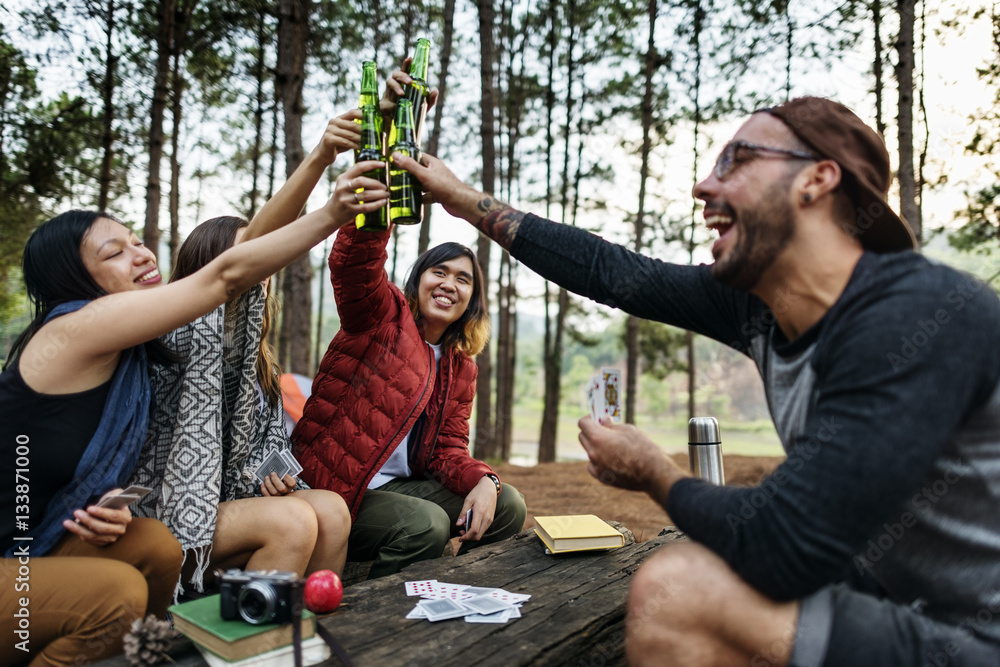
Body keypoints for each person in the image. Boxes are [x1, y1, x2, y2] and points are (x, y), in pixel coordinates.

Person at [394, 95, 1000, 666]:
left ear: (817, 179)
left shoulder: (913, 316)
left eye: (736, 160)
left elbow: (787, 541)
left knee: (679, 587)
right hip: (884, 597)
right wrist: (460, 199)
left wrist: (655, 473)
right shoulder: (761, 304)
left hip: (973, 638)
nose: (703, 185)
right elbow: (610, 271)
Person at [0, 154, 385, 664]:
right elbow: (231, 270)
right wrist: (332, 207)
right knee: (120, 592)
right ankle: (243, 647)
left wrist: (98, 502)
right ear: (76, 281)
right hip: (20, 552)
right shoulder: (78, 328)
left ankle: (249, 644)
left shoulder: (130, 353)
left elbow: (239, 267)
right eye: (115, 253)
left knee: (157, 546)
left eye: (137, 240)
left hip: (49, 536)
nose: (140, 254)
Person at [126, 116, 361, 591]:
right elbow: (252, 247)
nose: (266, 270)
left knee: (331, 510)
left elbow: (271, 442)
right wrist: (319, 157)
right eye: (256, 260)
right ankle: (254, 643)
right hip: (168, 506)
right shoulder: (170, 331)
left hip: (233, 498)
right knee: (294, 520)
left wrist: (272, 473)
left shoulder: (257, 358)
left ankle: (304, 624)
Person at [291, 222, 527, 579]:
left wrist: (485, 480)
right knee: (424, 523)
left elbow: (447, 449)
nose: (450, 284)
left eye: (463, 279)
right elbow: (354, 265)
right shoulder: (381, 318)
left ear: (471, 300)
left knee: (507, 502)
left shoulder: (460, 367)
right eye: (440, 272)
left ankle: (460, 587)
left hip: (397, 487)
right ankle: (376, 612)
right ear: (418, 281)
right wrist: (377, 208)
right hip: (337, 489)